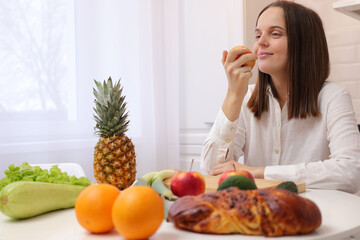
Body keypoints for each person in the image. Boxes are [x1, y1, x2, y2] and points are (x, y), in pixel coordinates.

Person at [200, 0, 360, 194]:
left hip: (315, 212)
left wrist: (258, 172)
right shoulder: (246, 96)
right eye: (258, 35)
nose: (260, 43)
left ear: (304, 44)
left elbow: (350, 173)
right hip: (259, 212)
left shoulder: (333, 97)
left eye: (275, 34)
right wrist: (233, 95)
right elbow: (211, 169)